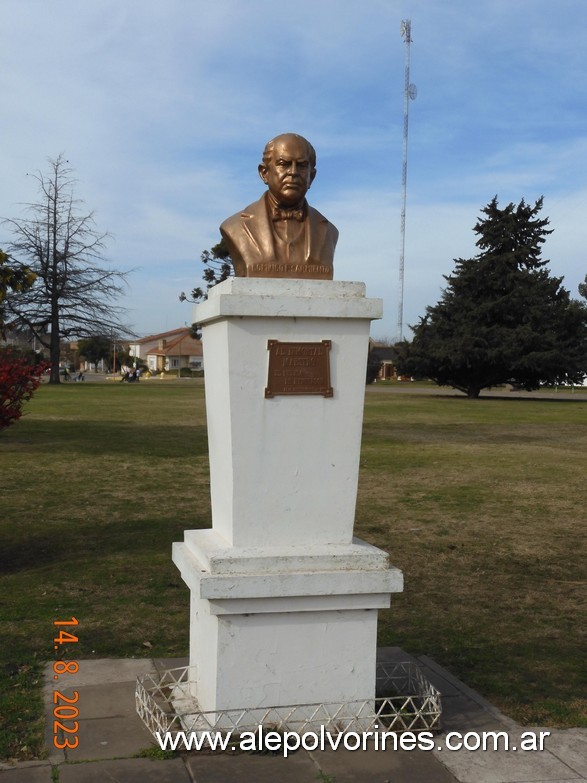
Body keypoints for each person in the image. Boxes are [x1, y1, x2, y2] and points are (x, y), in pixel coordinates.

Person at [220, 133, 338, 279]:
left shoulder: (327, 230)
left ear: (311, 177)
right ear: (264, 173)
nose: (293, 172)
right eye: (284, 164)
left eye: (301, 165)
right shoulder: (235, 226)